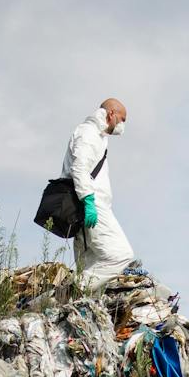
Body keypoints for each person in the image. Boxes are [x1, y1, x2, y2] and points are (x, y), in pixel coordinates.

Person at [62, 98, 134, 292]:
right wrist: (89, 201)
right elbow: (79, 168)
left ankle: (75, 303)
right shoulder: (89, 133)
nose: (123, 125)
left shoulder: (98, 135)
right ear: (111, 114)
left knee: (89, 265)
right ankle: (68, 292)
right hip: (91, 203)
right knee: (121, 255)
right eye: (123, 119)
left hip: (85, 204)